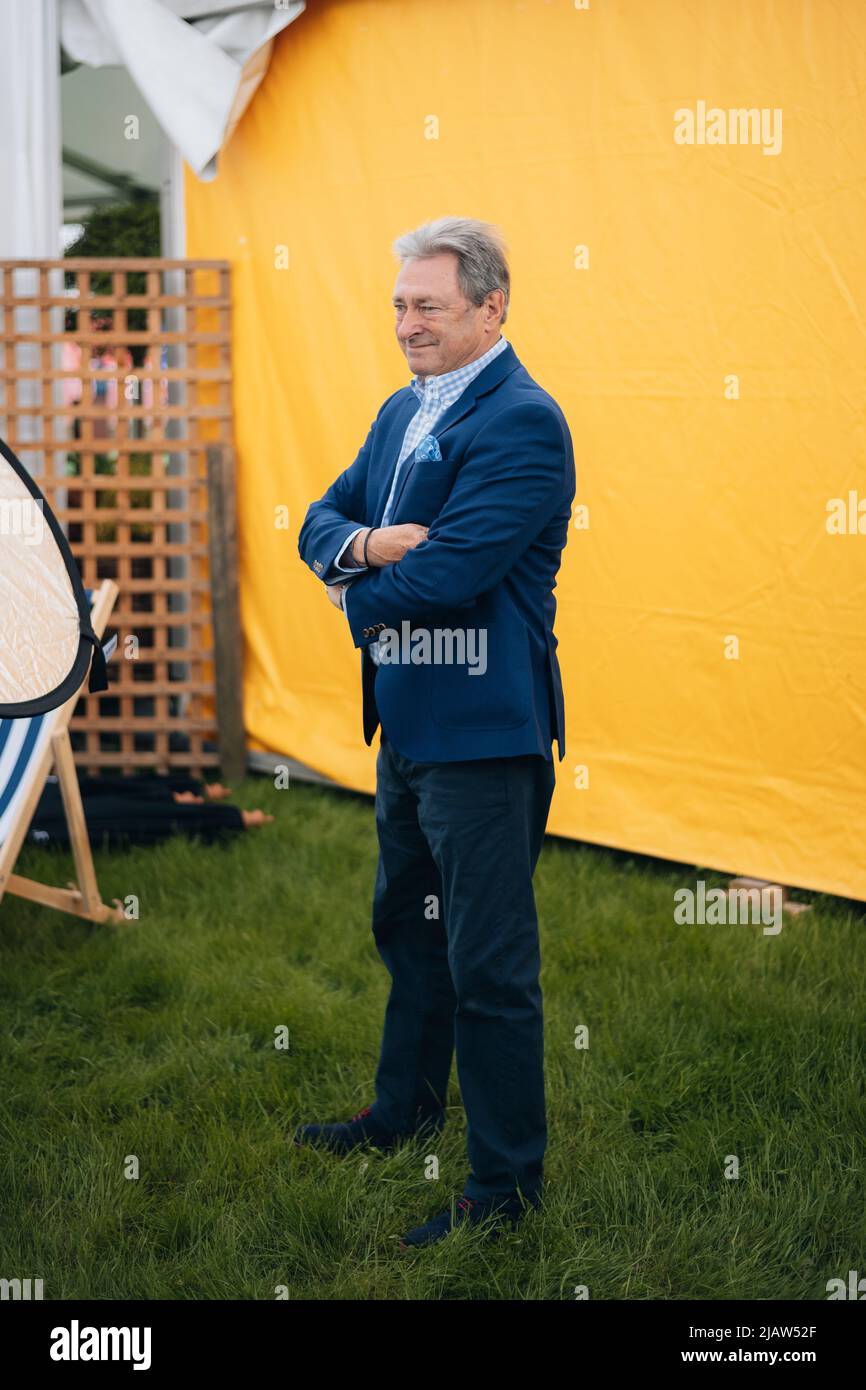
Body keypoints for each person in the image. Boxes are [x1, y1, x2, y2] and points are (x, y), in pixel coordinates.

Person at [296, 216, 575, 1250]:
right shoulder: (399, 411)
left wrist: (352, 595)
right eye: (400, 304)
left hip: (481, 736)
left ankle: (504, 1189)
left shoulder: (522, 422)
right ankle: (401, 1110)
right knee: (408, 936)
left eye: (428, 305)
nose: (406, 322)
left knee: (489, 963)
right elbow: (316, 520)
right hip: (406, 726)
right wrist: (364, 542)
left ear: (489, 306)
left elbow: (452, 574)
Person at [27, 773, 273, 851]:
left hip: (32, 792)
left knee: (102, 787)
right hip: (35, 820)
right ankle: (223, 817)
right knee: (115, 815)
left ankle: (187, 792)